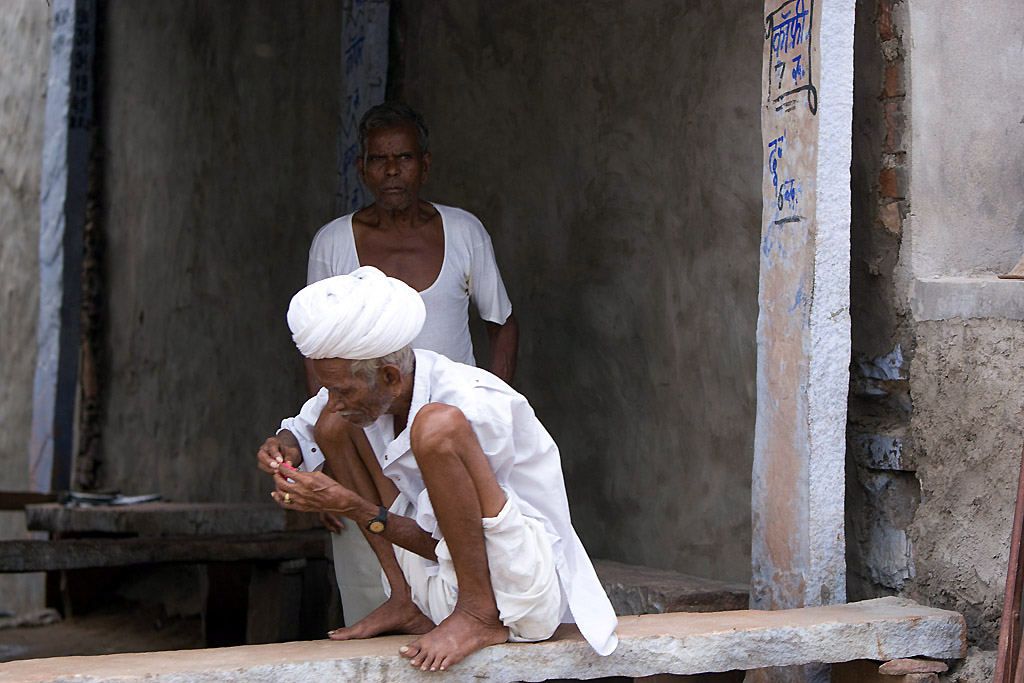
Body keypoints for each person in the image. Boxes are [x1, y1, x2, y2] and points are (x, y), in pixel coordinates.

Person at [257, 268, 617, 671]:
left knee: (434, 427)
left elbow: (442, 542)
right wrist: (285, 446)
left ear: (390, 376)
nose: (334, 399)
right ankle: (404, 598)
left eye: (341, 390)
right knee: (332, 424)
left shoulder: (471, 406)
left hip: (516, 591)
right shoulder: (380, 387)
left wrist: (352, 506)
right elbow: (308, 422)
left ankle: (477, 616)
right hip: (440, 579)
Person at [300, 101, 519, 624]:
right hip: (363, 438)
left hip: (448, 436)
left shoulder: (464, 232)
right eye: (379, 159)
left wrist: (493, 410)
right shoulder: (333, 242)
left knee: (461, 569)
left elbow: (502, 322)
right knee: (370, 575)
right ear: (362, 169)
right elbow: (317, 351)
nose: (392, 171)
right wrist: (320, 452)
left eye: (403, 158)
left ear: (426, 164)